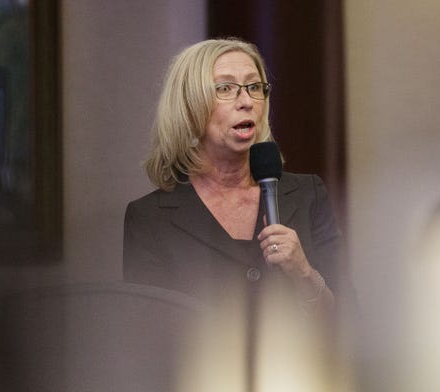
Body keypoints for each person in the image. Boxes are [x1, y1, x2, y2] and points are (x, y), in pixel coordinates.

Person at [123, 38, 353, 319]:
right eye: (225, 88)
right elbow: (144, 337)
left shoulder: (308, 195)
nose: (246, 102)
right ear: (189, 106)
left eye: (254, 87)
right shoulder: (150, 218)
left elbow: (347, 321)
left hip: (294, 363)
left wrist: (303, 272)